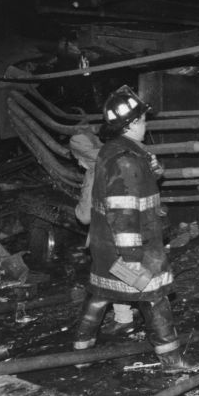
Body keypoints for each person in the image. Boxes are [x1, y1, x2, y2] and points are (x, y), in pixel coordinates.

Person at [73, 85, 199, 373]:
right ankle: (172, 361)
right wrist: (132, 259)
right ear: (131, 124)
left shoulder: (115, 150)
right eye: (142, 120)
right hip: (128, 250)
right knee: (154, 297)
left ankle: (81, 351)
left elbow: (134, 184)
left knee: (101, 294)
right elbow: (123, 211)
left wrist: (153, 170)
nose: (146, 125)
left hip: (105, 248)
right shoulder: (127, 160)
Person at [69, 130, 136, 336]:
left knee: (111, 275)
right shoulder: (121, 161)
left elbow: (84, 216)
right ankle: (143, 303)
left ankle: (124, 319)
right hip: (132, 228)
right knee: (127, 271)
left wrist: (78, 209)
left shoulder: (93, 173)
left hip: (108, 236)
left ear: (82, 158)